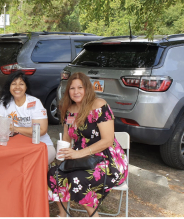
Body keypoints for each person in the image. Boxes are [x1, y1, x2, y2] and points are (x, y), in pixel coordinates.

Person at [47, 72, 128, 217]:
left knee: (77, 179)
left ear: (87, 89)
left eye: (80, 87)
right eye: (72, 88)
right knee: (54, 174)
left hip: (107, 160)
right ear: (68, 91)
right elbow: (67, 137)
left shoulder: (99, 106)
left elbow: (108, 140)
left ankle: (94, 216)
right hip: (80, 160)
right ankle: (62, 214)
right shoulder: (70, 111)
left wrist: (78, 153)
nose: (76, 91)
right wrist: (63, 152)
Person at [0, 71, 56, 163]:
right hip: (15, 144)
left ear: (26, 87)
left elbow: (41, 130)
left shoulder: (34, 102)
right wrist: (7, 126)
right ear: (9, 87)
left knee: (27, 165)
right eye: (13, 84)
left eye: (21, 84)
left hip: (40, 144)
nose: (17, 87)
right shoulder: (4, 102)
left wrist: (13, 128)